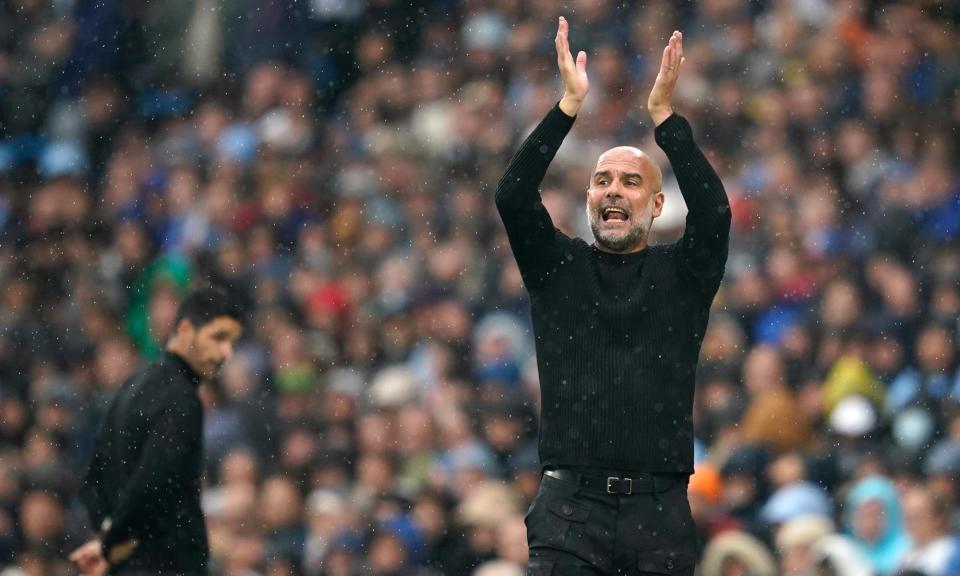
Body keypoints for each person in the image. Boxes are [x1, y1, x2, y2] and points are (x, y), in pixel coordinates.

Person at [495, 17, 730, 575]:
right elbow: (513, 194)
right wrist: (567, 107)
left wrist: (666, 121)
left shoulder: (685, 275)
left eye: (630, 182)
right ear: (588, 199)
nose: (614, 191)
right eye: (603, 180)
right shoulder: (558, 268)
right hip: (569, 512)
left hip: (660, 511)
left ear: (655, 205)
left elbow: (715, 213)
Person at [69, 286, 245, 575]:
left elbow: (92, 481)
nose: (227, 352)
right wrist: (113, 542)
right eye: (218, 337)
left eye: (232, 341)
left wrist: (110, 538)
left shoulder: (132, 386)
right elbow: (153, 482)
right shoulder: (181, 399)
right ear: (186, 329)